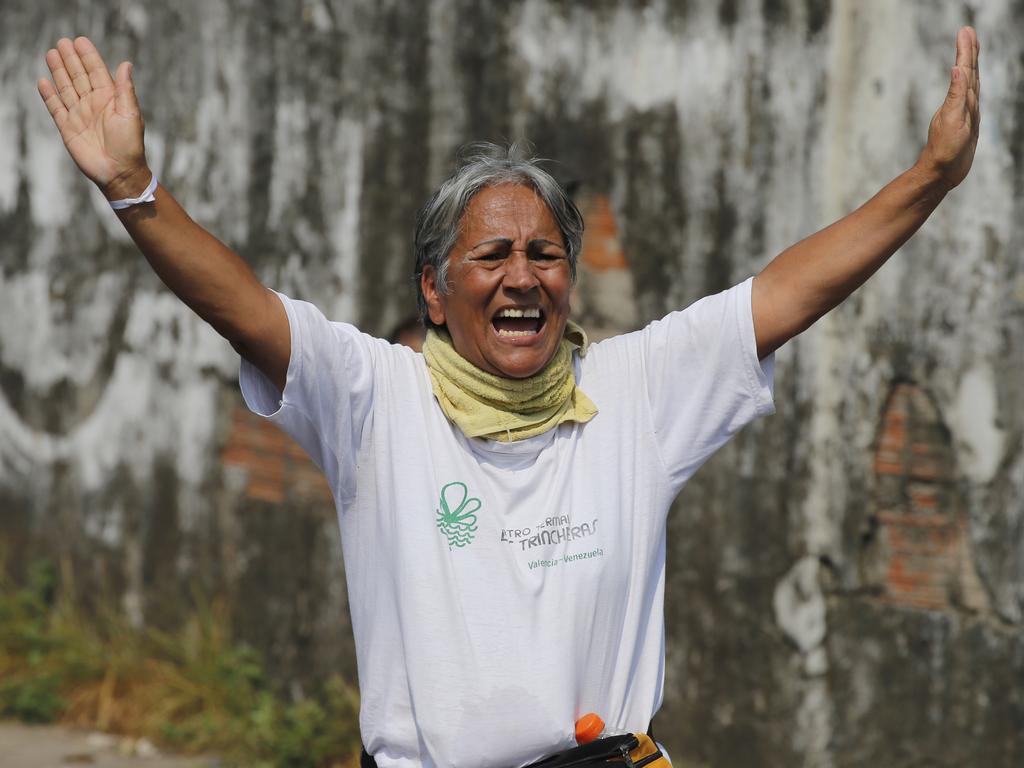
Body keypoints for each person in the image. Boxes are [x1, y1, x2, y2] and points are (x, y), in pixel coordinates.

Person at [37, 27, 980, 768]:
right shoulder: (375, 398)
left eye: (545, 253)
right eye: (491, 255)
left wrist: (930, 176)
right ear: (434, 294)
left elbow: (784, 294)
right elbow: (242, 308)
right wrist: (133, 189)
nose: (522, 277)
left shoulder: (634, 390)